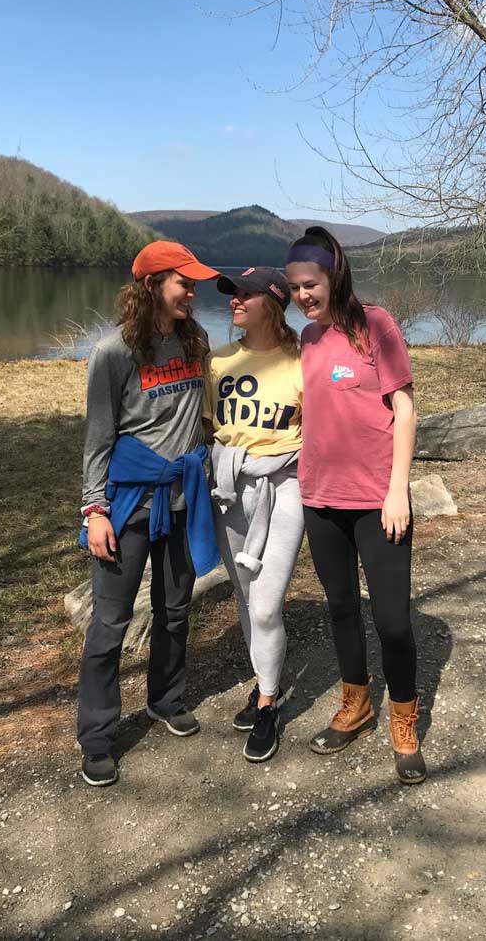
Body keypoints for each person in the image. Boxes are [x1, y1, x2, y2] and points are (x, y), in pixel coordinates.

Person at [76, 240, 221, 788]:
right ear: (152, 285)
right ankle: (97, 736)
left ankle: (165, 699)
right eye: (183, 282)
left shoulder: (195, 341)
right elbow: (97, 439)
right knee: (110, 625)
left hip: (184, 500)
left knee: (175, 610)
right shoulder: (113, 353)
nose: (192, 290)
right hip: (129, 504)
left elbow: (202, 414)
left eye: (194, 282)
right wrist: (94, 511)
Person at [285, 226, 426, 785]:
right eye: (295, 287)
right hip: (320, 496)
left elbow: (405, 410)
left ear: (334, 276)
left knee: (392, 621)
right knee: (340, 608)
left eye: (310, 284)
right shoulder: (308, 340)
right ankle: (356, 704)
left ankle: (404, 720)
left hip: (376, 500)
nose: (302, 296)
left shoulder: (376, 325)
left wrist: (397, 490)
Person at [204, 266, 303, 763]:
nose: (234, 301)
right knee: (246, 602)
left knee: (265, 606)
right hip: (229, 489)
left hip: (284, 487)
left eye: (245, 294)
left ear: (275, 303)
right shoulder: (218, 361)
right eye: (232, 294)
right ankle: (265, 681)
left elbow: (324, 430)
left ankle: (267, 705)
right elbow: (205, 427)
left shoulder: (299, 361)